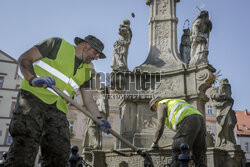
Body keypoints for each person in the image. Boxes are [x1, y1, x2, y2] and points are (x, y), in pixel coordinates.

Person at [5, 35, 111, 167]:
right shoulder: (57, 44)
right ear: (86, 46)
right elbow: (25, 58)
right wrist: (32, 79)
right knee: (25, 147)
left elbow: (89, 101)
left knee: (59, 153)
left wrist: (99, 118)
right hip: (32, 100)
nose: (96, 57)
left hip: (58, 110)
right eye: (96, 53)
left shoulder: (87, 71)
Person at [149, 97, 206, 167]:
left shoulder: (161, 104)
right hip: (200, 120)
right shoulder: (175, 102)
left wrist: (155, 142)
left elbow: (160, 126)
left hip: (189, 120)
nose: (156, 110)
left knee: (178, 149)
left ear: (155, 104)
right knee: (199, 154)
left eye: (154, 108)